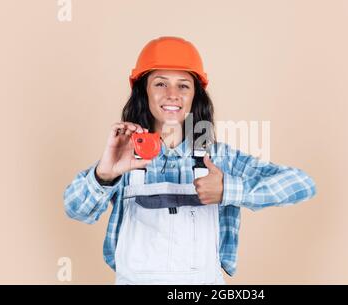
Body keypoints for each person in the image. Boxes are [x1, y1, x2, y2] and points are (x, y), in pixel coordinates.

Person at [63, 36, 317, 285]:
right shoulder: (126, 157)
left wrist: (229, 190)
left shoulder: (217, 158)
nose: (172, 94)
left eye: (183, 85)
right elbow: (76, 209)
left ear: (195, 95)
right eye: (160, 84)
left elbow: (303, 184)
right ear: (144, 92)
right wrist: (104, 175)